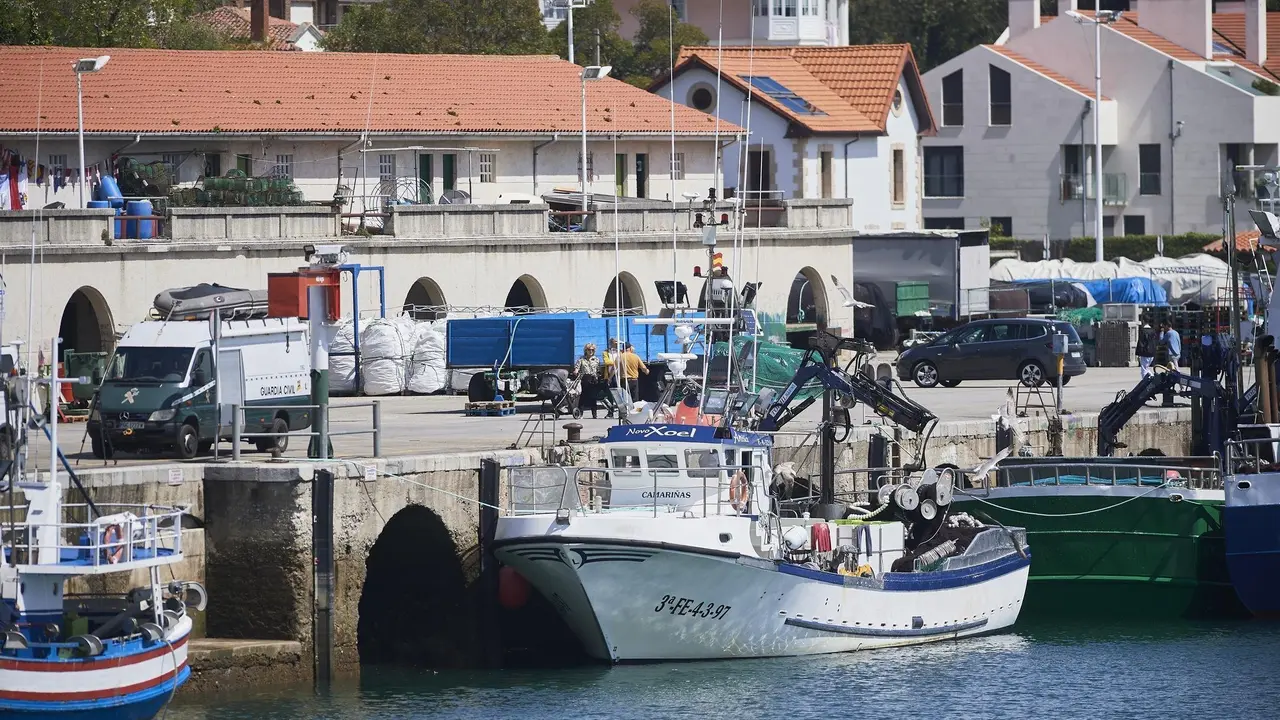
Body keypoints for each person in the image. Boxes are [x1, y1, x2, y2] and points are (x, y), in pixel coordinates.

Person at [572, 343, 603, 419]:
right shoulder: (581, 359)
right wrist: (576, 372)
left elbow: (599, 370)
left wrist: (598, 376)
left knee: (593, 397)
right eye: (589, 350)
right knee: (583, 396)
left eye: (592, 350)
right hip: (585, 378)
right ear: (586, 350)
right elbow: (577, 368)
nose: (591, 351)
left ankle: (594, 414)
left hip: (593, 379)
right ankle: (580, 413)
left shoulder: (596, 359)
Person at [1159, 320, 1181, 407]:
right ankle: (1173, 384)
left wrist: (1161, 332)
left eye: (1164, 327)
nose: (1164, 328)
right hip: (1177, 353)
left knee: (1175, 369)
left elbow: (1161, 341)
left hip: (1172, 354)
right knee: (1172, 370)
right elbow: (1179, 343)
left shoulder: (1168, 333)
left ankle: (1180, 384)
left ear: (1168, 326)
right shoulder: (1176, 333)